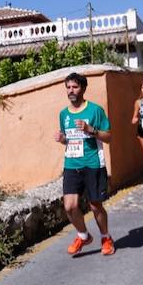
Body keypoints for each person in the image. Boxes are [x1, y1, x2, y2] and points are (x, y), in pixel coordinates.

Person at [53, 72, 115, 256]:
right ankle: (83, 236)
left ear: (83, 88)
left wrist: (91, 130)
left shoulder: (95, 110)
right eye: (68, 87)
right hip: (71, 164)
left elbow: (109, 136)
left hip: (93, 163)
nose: (71, 91)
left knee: (95, 205)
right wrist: (62, 139)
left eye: (75, 87)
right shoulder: (63, 114)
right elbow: (69, 140)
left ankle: (106, 237)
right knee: (69, 206)